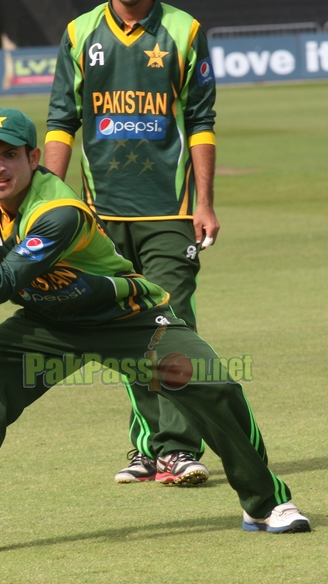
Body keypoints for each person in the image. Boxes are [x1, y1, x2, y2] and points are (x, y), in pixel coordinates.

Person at [0, 107, 309, 549]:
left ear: (33, 158)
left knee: (212, 381)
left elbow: (1, 286)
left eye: (9, 155)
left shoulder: (59, 212)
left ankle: (265, 503)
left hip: (125, 318)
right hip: (49, 322)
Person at [45, 0, 218, 486]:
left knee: (171, 323)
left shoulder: (184, 30)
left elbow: (201, 121)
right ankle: (148, 448)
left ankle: (179, 449)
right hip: (101, 214)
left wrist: (204, 203)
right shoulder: (80, 33)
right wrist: (48, 205)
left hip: (170, 210)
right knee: (126, 330)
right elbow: (61, 121)